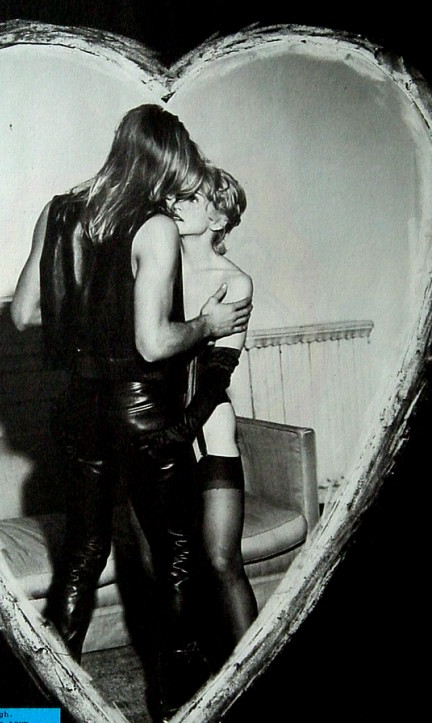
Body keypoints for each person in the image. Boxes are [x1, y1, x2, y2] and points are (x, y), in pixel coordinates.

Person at [10, 105, 251, 723]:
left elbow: (24, 314)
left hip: (79, 411)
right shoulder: (154, 225)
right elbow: (153, 342)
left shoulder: (60, 211)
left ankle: (47, 708)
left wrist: (90, 314)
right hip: (142, 411)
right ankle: (173, 711)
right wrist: (207, 324)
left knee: (82, 555)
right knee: (176, 555)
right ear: (165, 159)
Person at [143, 165, 258, 670]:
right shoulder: (155, 269)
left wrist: (182, 431)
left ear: (217, 217)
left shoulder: (235, 281)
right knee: (169, 565)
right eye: (175, 194)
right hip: (159, 431)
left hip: (208, 429)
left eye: (189, 197)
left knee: (221, 560)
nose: (174, 202)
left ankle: (255, 670)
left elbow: (217, 376)